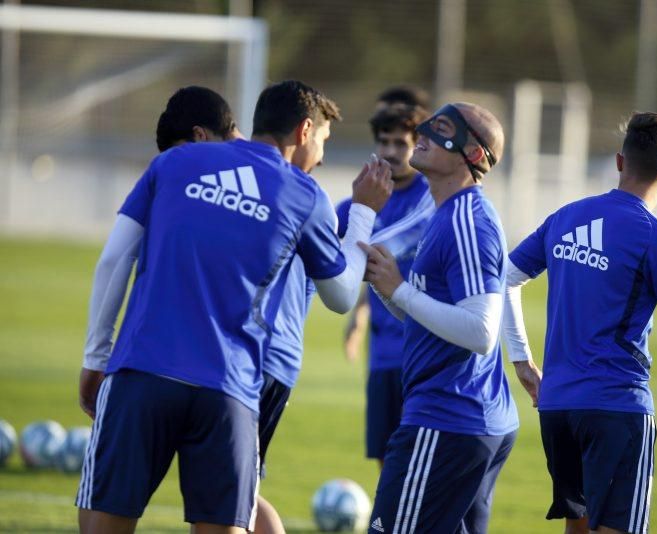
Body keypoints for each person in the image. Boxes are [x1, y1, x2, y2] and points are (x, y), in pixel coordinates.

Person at [76, 80, 393, 534]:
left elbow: (114, 259)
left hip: (142, 372)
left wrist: (95, 357)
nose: (322, 154)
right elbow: (341, 295)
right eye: (323, 139)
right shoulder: (305, 195)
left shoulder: (173, 162)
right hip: (228, 390)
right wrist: (363, 210)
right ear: (305, 130)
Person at [502, 112, 657, 534]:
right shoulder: (654, 234)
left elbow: (505, 279)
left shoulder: (566, 217)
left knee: (578, 529)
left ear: (619, 161)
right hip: (615, 406)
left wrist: (521, 360)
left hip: (557, 408)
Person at [360, 102, 519, 533]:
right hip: (464, 419)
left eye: (442, 127)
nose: (425, 131)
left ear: (473, 154)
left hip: (449, 418)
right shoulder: (443, 212)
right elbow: (430, 314)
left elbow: (482, 332)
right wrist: (387, 287)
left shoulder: (467, 219)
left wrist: (401, 290)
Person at [153, 85, 288, 534]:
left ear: (197, 136)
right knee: (239, 495)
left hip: (244, 365)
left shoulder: (273, 178)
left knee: (235, 497)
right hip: (237, 365)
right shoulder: (273, 175)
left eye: (177, 153)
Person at [338, 100, 433, 468]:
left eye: (400, 143)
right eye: (384, 142)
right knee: (388, 461)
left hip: (422, 350)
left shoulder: (431, 197)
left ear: (418, 145)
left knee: (422, 464)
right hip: (382, 357)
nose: (390, 152)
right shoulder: (363, 200)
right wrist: (360, 313)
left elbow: (378, 253)